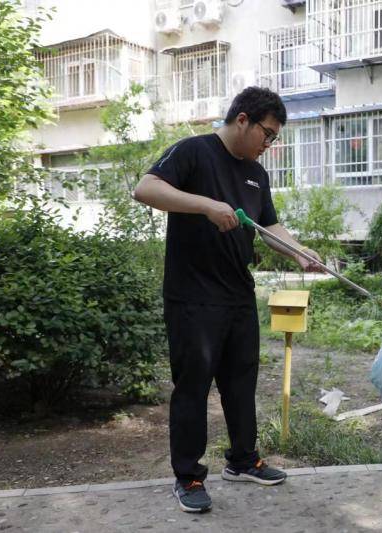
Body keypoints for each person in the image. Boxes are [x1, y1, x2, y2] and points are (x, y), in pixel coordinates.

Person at [133, 87, 323, 514]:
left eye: (274, 138)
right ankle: (189, 476)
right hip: (192, 297)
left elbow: (270, 226)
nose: (269, 145)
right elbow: (145, 189)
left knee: (241, 382)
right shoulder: (193, 152)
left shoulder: (256, 173)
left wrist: (300, 251)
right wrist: (204, 206)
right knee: (193, 387)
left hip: (237, 293)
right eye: (267, 134)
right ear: (243, 120)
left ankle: (242, 459)